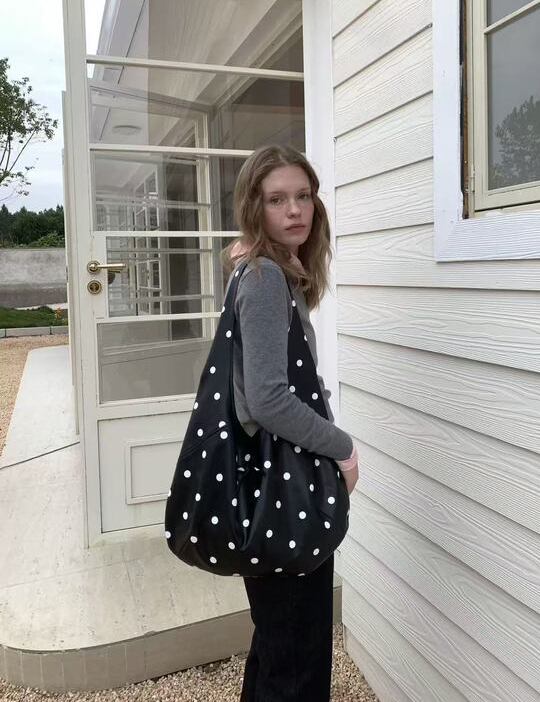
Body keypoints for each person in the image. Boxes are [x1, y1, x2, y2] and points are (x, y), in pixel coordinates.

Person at [219, 143, 359, 702]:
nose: (295, 210)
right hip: (281, 487)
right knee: (297, 654)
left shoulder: (269, 272)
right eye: (276, 199)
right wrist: (343, 446)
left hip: (272, 484)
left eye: (303, 196)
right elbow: (269, 400)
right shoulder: (263, 278)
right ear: (254, 206)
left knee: (280, 643)